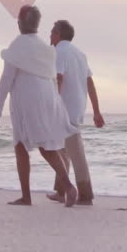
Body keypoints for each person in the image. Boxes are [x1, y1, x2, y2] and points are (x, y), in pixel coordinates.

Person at [0, 5, 80, 207]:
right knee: (46, 145)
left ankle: (28, 197)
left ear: (19, 23)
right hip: (49, 98)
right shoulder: (45, 48)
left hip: (27, 101)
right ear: (37, 24)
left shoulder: (17, 46)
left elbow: (6, 80)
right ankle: (67, 186)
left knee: (20, 146)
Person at [45, 19, 103, 206]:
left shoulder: (59, 52)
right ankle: (61, 191)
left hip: (64, 108)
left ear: (58, 34)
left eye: (52, 32)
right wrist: (96, 111)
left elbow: (58, 78)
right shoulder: (80, 54)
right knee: (62, 149)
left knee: (75, 152)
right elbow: (89, 82)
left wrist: (53, 105)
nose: (50, 35)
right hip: (77, 106)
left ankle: (85, 195)